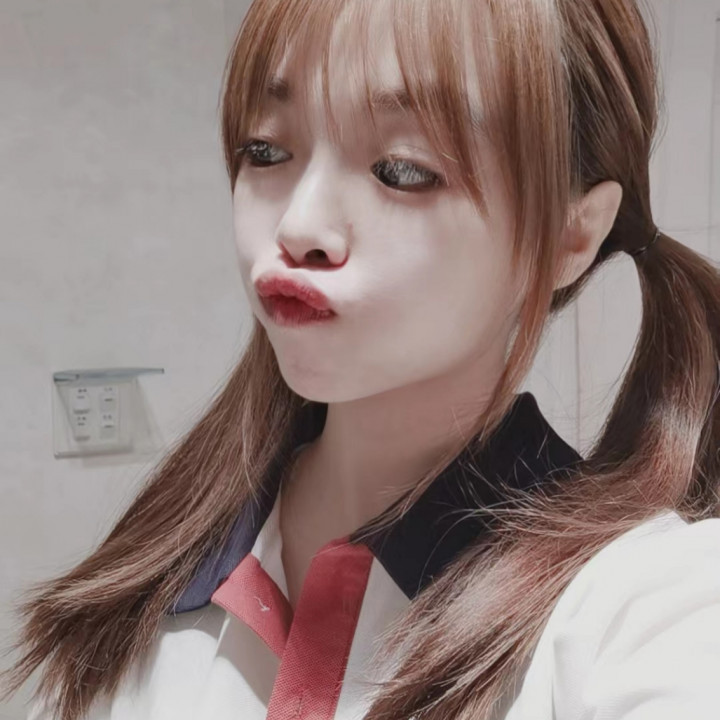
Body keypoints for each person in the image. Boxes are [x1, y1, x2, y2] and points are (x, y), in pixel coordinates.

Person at [3, 0, 720, 718]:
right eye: (266, 151)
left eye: (401, 170)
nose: (299, 225)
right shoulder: (145, 588)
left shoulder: (646, 610)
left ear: (572, 236)